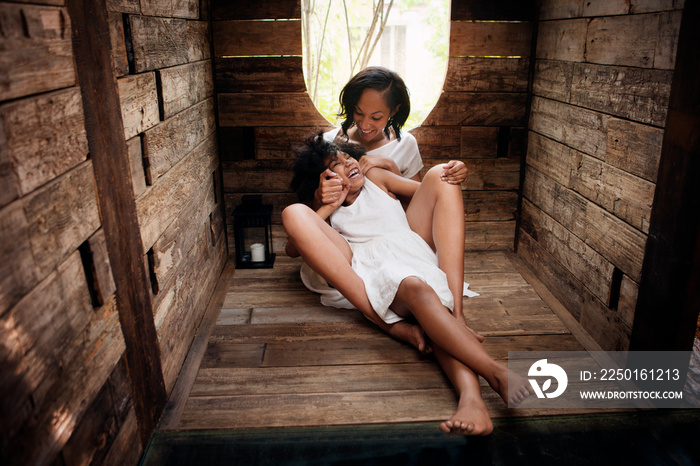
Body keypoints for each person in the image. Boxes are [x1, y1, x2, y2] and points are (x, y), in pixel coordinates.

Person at [283, 134, 531, 435]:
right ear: (323, 179)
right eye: (335, 166)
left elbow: (429, 189)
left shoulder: (376, 178)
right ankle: (487, 380)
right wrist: (325, 203)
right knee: (418, 292)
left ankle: (459, 320)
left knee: (441, 173)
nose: (348, 163)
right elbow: (295, 247)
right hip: (375, 270)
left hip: (412, 247)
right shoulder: (324, 207)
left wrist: (452, 172)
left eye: (347, 157)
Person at [303, 66, 469, 313]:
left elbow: (416, 204)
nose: (365, 124)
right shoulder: (329, 146)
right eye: (358, 113)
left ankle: (456, 309)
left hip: (398, 235)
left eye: (376, 117)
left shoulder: (405, 145)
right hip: (353, 245)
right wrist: (319, 196)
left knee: (443, 177)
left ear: (394, 111)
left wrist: (390, 166)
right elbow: (313, 222)